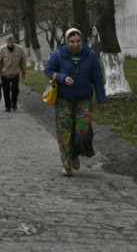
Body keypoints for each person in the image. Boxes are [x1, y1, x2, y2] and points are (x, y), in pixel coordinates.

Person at [44, 28, 108, 177]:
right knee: (64, 132)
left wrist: (101, 99)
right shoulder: (59, 54)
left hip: (83, 101)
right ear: (66, 41)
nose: (75, 44)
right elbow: (48, 70)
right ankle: (66, 165)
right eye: (72, 42)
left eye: (78, 41)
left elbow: (98, 79)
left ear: (82, 41)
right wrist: (61, 77)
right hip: (63, 100)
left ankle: (75, 154)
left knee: (82, 129)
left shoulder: (91, 56)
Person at [0, 35, 27, 112]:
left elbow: (23, 61)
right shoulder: (2, 50)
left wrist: (23, 72)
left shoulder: (20, 49)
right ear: (6, 42)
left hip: (15, 74)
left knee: (15, 89)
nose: (10, 43)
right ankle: (8, 106)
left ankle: (14, 102)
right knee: (6, 90)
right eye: (8, 42)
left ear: (14, 42)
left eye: (12, 42)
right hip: (5, 74)